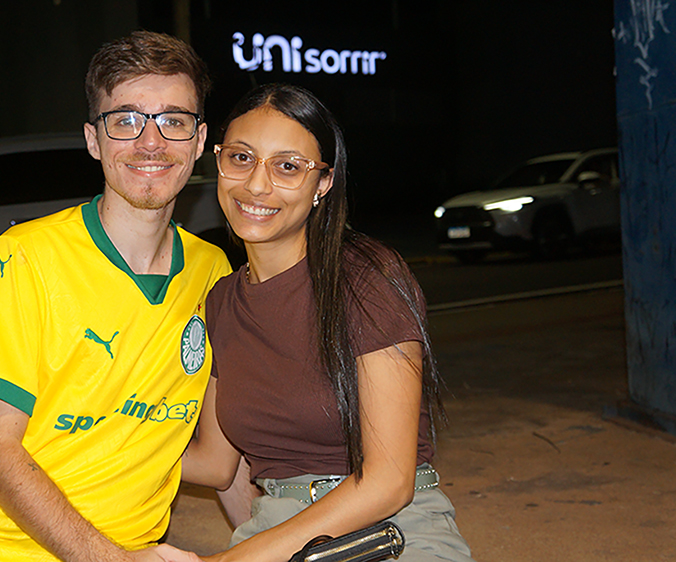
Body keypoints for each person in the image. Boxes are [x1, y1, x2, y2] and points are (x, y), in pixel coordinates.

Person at [0, 31, 231, 562]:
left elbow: (219, 463)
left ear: (198, 142)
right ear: (93, 139)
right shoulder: (27, 255)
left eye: (173, 121)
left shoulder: (212, 272)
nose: (151, 142)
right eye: (125, 120)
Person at [182, 83, 475, 562]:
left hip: (391, 530)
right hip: (277, 530)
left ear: (323, 183)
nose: (256, 185)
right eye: (241, 158)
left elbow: (389, 481)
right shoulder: (221, 303)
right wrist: (84, 437)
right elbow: (215, 464)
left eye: (287, 167)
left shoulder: (365, 278)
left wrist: (230, 560)